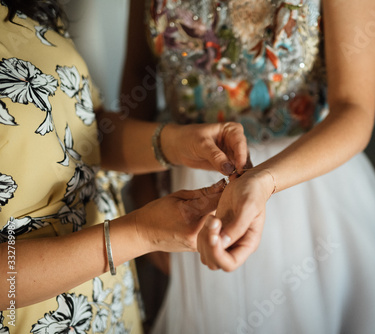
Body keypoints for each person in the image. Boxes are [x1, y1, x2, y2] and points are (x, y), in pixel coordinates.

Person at [125, 0, 375, 333]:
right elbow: (137, 74)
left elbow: (353, 109)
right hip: (187, 185)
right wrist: (141, 189)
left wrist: (262, 181)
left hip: (303, 180)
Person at [0, 1, 249, 333]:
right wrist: (140, 233)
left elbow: (85, 130)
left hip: (110, 304)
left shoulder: (20, 12)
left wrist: (176, 143)